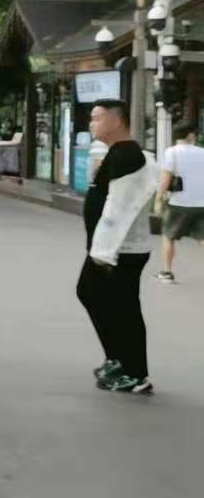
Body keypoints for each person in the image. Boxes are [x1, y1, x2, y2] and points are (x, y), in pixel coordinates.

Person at [75, 99, 154, 394]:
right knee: (100, 297)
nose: (91, 123)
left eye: (97, 118)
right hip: (115, 249)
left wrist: (103, 254)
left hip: (120, 250)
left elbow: (119, 208)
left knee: (120, 306)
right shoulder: (120, 153)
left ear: (117, 120)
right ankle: (119, 359)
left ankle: (134, 372)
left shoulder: (126, 155)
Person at [154, 121, 204, 284]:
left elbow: (165, 179)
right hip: (201, 203)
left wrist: (158, 200)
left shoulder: (172, 152)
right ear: (190, 135)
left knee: (168, 236)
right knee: (202, 237)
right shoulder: (202, 152)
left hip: (178, 203)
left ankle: (167, 273)